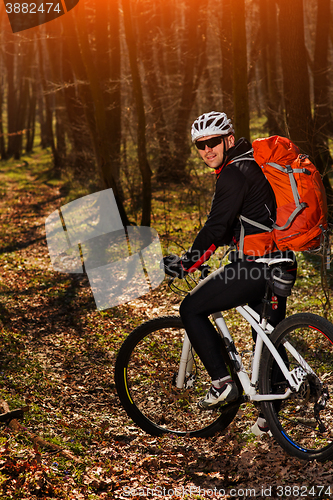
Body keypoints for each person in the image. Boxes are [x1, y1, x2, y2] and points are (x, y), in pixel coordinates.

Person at [162, 111, 297, 434]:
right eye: (200, 145)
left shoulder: (233, 174)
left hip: (256, 268)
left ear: (229, 140)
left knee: (191, 308)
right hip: (282, 263)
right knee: (266, 337)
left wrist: (186, 263)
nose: (207, 150)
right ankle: (269, 420)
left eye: (212, 142)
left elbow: (216, 228)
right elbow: (235, 226)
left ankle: (223, 382)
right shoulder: (251, 164)